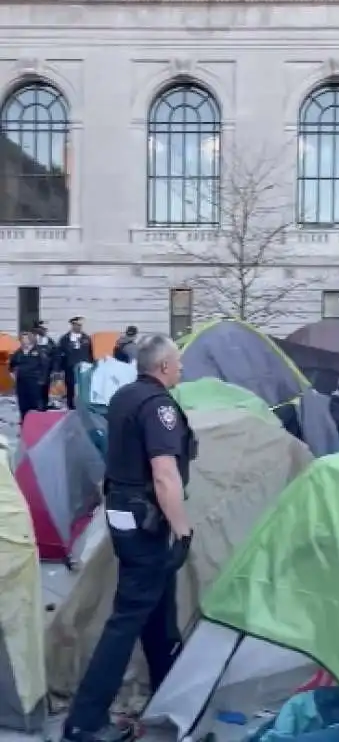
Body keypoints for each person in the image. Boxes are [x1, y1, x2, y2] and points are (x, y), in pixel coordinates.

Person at [62, 334, 196, 742]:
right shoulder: (158, 407)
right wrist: (183, 530)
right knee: (127, 619)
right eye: (178, 363)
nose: (181, 369)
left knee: (158, 611)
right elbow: (164, 474)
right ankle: (84, 721)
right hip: (147, 522)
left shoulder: (124, 397)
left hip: (123, 516)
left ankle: (166, 693)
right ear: (163, 367)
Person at [9, 331, 46, 423]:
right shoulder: (18, 352)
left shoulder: (38, 351)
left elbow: (44, 365)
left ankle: (35, 422)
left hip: (34, 381)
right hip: (21, 382)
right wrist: (13, 376)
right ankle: (24, 421)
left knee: (34, 403)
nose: (24, 341)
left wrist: (42, 379)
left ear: (30, 340)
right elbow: (11, 366)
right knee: (22, 403)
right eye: (22, 339)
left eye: (26, 338)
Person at [58, 316, 94, 410]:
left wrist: (91, 365)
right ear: (72, 325)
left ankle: (84, 407)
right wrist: (59, 369)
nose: (79, 327)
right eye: (77, 325)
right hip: (70, 368)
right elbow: (59, 355)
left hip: (84, 368)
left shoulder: (86, 338)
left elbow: (90, 354)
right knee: (70, 388)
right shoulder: (65, 339)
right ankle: (71, 407)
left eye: (80, 325)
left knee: (84, 388)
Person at [33, 320, 57, 409]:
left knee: (45, 389)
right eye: (42, 329)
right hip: (34, 371)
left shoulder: (50, 341)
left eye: (45, 329)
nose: (44, 331)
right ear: (37, 329)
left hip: (46, 371)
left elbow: (55, 355)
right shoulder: (31, 340)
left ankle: (44, 406)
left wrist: (55, 369)